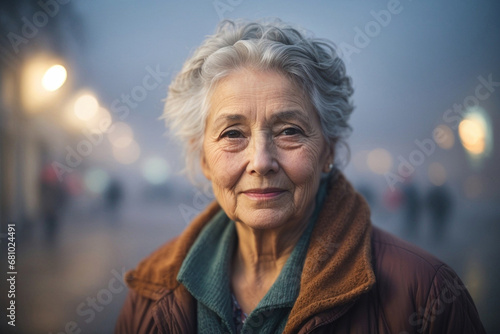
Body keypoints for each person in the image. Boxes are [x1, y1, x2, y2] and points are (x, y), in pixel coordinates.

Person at [115, 19, 485, 333]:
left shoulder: (426, 293)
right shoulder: (151, 291)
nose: (261, 161)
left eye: (289, 131)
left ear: (328, 151)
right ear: (204, 160)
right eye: (232, 134)